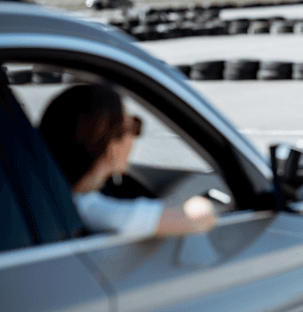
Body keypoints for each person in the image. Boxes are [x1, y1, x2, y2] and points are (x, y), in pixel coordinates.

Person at [39, 84, 216, 237]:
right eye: (133, 126)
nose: (134, 138)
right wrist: (203, 203)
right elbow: (198, 219)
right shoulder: (92, 210)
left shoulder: (52, 198)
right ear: (112, 145)